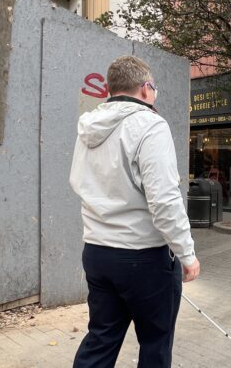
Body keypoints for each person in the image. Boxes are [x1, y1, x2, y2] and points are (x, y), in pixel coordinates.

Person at [70, 55, 200, 367]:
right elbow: (165, 199)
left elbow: (77, 180)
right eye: (154, 88)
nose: (155, 95)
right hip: (144, 257)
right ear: (144, 89)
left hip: (98, 252)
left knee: (101, 338)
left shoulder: (88, 127)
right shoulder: (150, 125)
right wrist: (187, 253)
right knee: (155, 343)